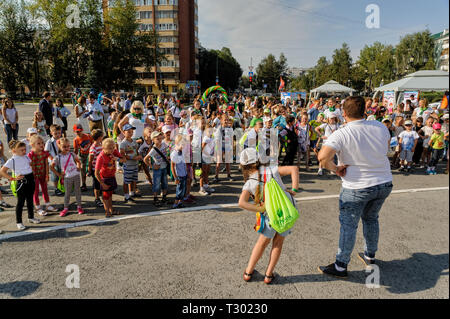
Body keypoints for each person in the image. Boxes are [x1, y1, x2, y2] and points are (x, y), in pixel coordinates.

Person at [317, 96, 393, 278]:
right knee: (371, 219)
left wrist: (335, 169)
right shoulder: (381, 127)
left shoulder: (342, 133)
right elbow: (386, 147)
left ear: (343, 114)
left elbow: (322, 157)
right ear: (365, 111)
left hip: (357, 185)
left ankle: (341, 265)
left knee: (349, 225)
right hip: (383, 181)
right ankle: (369, 255)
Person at [239, 148, 299, 284]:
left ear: (244, 167)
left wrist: (260, 207)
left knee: (261, 243)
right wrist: (294, 189)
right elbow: (294, 168)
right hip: (285, 211)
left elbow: (241, 203)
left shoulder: (249, 183)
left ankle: (248, 272)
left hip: (269, 215)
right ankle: (268, 274)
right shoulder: (272, 170)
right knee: (278, 242)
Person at [0, 140, 41, 230]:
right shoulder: (12, 160)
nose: (24, 151)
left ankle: (31, 217)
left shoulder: (26, 157)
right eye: (21, 150)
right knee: (20, 203)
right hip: (22, 182)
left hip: (30, 180)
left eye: (24, 149)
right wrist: (12, 178)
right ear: (14, 151)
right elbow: (2, 171)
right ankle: (19, 222)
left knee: (30, 200)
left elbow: (29, 165)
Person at [52, 138, 84, 217]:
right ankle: (65, 207)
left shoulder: (72, 154)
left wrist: (79, 167)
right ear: (60, 147)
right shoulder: (58, 157)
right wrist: (59, 174)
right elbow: (51, 167)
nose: (67, 148)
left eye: (68, 146)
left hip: (76, 175)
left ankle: (79, 206)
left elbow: (78, 161)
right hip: (67, 177)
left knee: (77, 192)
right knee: (67, 193)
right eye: (64, 147)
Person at [27, 135, 58, 216]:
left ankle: (48, 205)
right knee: (36, 191)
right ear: (32, 144)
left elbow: (46, 164)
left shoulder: (45, 153)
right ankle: (38, 207)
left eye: (42, 143)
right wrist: (32, 177)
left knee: (45, 190)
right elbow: (30, 166)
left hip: (43, 174)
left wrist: (47, 175)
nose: (41, 145)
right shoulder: (31, 154)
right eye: (39, 143)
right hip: (34, 176)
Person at [95, 138, 126, 217]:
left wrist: (117, 159)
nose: (112, 150)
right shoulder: (101, 157)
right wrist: (102, 183)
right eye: (109, 148)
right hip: (104, 178)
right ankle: (107, 212)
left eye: (113, 147)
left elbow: (124, 160)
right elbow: (96, 172)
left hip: (112, 176)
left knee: (110, 194)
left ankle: (111, 210)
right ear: (103, 148)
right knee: (105, 196)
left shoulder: (114, 151)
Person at [145, 131, 170, 207]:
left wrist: (168, 157)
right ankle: (155, 198)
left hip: (164, 167)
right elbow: (145, 159)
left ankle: (164, 197)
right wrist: (152, 166)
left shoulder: (164, 145)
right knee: (156, 184)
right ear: (153, 140)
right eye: (157, 139)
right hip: (157, 169)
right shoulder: (153, 150)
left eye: (160, 138)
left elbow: (167, 151)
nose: (159, 140)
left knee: (165, 183)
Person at [119, 124, 142, 203]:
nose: (130, 133)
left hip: (135, 164)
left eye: (131, 131)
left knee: (133, 179)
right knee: (126, 181)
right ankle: (126, 196)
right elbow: (122, 155)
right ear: (124, 132)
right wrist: (133, 158)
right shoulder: (123, 143)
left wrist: (138, 156)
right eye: (128, 132)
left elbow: (136, 150)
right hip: (128, 165)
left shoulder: (134, 141)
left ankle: (131, 193)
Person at [73, 124, 93, 192]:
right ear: (74, 132)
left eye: (80, 131)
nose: (79, 133)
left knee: (92, 168)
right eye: (77, 132)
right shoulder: (76, 140)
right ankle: (84, 184)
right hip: (82, 155)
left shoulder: (88, 136)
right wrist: (73, 158)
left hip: (90, 154)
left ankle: (95, 183)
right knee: (83, 169)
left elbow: (92, 143)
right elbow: (75, 150)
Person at [88, 129, 105, 208]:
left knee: (102, 182)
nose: (103, 137)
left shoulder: (101, 145)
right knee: (97, 185)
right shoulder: (93, 148)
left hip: (102, 168)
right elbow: (90, 160)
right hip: (96, 169)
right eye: (102, 136)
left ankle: (103, 196)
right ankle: (97, 198)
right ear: (99, 138)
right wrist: (89, 169)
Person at [45, 124, 63, 196]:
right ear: (51, 133)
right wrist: (52, 159)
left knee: (62, 174)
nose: (58, 135)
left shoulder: (62, 140)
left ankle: (62, 186)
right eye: (55, 133)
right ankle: (56, 188)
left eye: (59, 133)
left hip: (62, 161)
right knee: (55, 176)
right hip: (53, 162)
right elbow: (46, 152)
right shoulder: (49, 142)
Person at [170, 135, 188, 209]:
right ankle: (175, 203)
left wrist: (186, 171)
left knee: (183, 189)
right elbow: (172, 167)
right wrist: (175, 177)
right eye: (182, 144)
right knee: (179, 190)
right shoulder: (174, 154)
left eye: (184, 144)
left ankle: (180, 202)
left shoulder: (182, 151)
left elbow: (184, 163)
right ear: (177, 144)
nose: (183, 146)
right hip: (179, 175)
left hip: (184, 174)